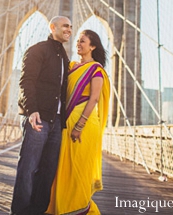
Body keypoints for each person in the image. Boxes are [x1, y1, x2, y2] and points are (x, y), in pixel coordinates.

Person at [10, 16, 73, 215]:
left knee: (47, 171)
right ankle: (20, 212)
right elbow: (26, 81)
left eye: (71, 27)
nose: (69, 30)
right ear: (52, 27)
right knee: (28, 168)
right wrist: (32, 110)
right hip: (39, 118)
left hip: (56, 122)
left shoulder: (64, 58)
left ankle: (37, 211)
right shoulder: (37, 50)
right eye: (65, 26)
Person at [46, 29, 110, 215]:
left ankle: (78, 208)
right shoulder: (72, 66)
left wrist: (79, 126)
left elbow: (94, 99)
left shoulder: (96, 70)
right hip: (66, 122)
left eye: (83, 41)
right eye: (78, 41)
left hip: (84, 124)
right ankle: (58, 206)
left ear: (92, 46)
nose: (78, 44)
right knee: (62, 165)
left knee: (77, 167)